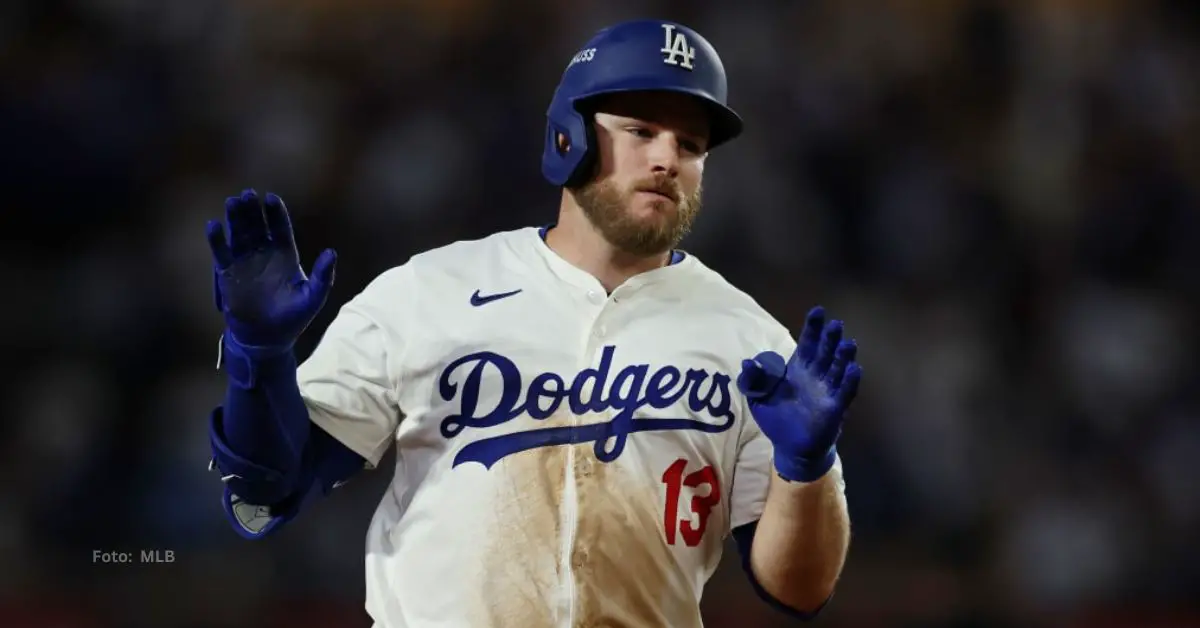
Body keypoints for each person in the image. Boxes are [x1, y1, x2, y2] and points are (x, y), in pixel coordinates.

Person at [204, 19, 862, 628]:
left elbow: (798, 590)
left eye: (690, 145)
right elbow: (268, 487)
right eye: (641, 131)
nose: (668, 159)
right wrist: (258, 354)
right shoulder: (430, 292)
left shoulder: (751, 345)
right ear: (567, 137)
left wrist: (807, 464)